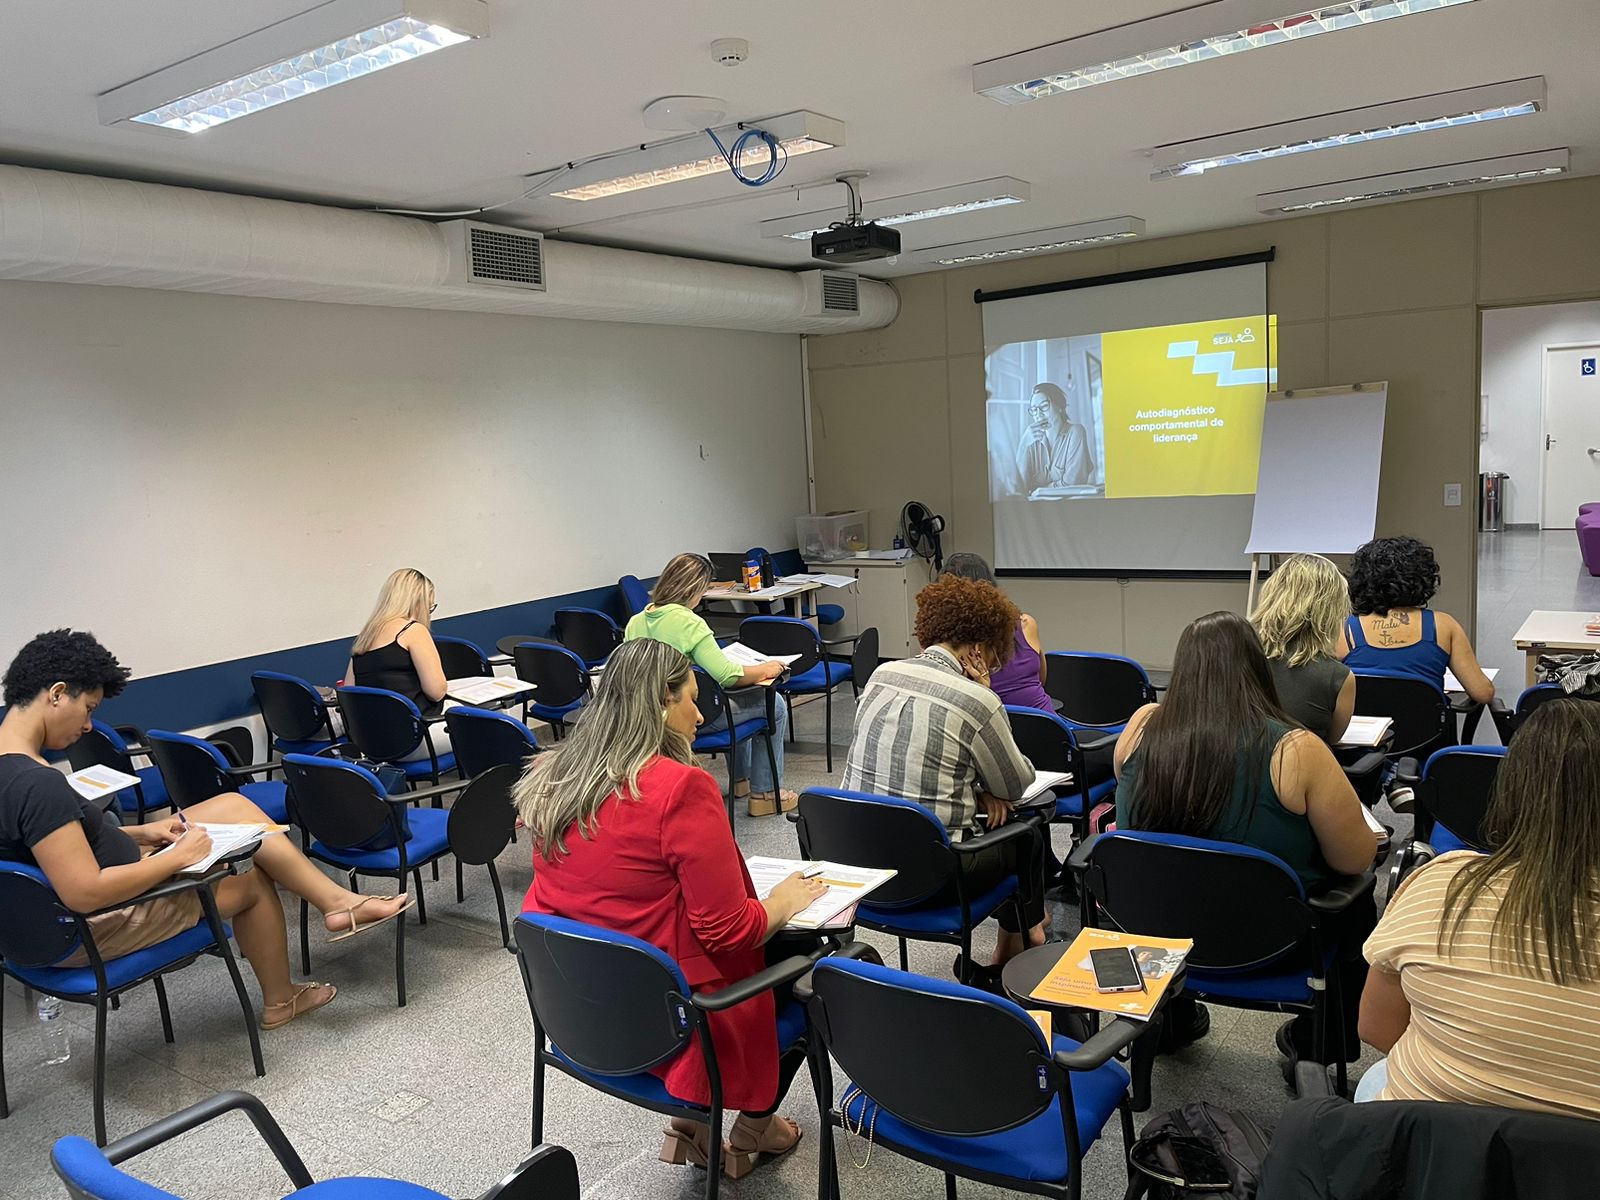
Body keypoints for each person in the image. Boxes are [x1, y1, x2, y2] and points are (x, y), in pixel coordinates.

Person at [516, 639, 826, 1178]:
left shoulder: (554, 775)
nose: (700, 713)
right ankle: (754, 1125)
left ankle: (694, 1128)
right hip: (680, 1022)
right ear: (661, 702)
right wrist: (782, 901)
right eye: (691, 698)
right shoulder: (680, 788)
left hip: (582, 1008)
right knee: (819, 961)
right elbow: (729, 932)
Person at [0, 630, 411, 1029]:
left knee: (231, 805)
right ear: (56, 693)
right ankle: (283, 997)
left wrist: (145, 833)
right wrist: (179, 858)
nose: (89, 725)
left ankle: (337, 903)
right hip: (88, 929)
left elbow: (55, 846)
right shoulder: (39, 784)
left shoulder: (13, 767)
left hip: (33, 931)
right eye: (89, 708)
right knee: (250, 879)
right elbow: (84, 891)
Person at [1114, 611, 1380, 1060]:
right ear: (1258, 670)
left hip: (1160, 937)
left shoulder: (1141, 727)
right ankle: (1322, 1041)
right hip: (1276, 947)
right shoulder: (1296, 749)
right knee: (1357, 902)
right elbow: (1353, 860)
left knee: (1177, 869)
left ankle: (1173, 1019)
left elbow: (1135, 821)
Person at [1358, 699, 1600, 1116]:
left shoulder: (1442, 882)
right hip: (1576, 1174)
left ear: (1509, 787)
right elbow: (1482, 689)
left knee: (1377, 1079)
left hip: (1430, 1152)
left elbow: (1376, 1029)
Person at [841, 574, 1048, 970]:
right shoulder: (976, 699)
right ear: (979, 647)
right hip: (933, 877)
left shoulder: (880, 676)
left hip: (859, 863)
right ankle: (1026, 939)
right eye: (993, 656)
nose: (993, 665)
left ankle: (1017, 942)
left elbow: (908, 758)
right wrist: (987, 695)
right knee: (1030, 834)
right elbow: (1018, 784)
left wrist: (975, 787)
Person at [625, 553, 794, 815]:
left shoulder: (636, 622)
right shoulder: (689, 621)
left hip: (650, 719)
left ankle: (741, 781)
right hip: (693, 719)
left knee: (734, 700)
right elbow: (728, 675)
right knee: (773, 705)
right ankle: (766, 793)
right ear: (694, 588)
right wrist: (766, 668)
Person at [1341, 537, 1495, 704]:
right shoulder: (1443, 626)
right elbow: (1483, 693)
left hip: (1361, 728)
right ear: (1424, 579)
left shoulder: (1346, 630)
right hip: (1427, 729)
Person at [1252, 553, 1356, 744]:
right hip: (1302, 770)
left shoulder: (1240, 656)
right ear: (1331, 611)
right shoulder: (1338, 677)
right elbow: (1331, 742)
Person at [350, 567, 452, 761]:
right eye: (430, 607)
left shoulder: (365, 636)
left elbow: (349, 690)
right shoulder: (413, 631)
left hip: (372, 742)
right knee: (492, 722)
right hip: (412, 741)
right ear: (418, 602)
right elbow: (436, 691)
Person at [940, 552, 1051, 712]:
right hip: (1046, 725)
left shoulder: (951, 643)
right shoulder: (1025, 624)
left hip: (989, 728)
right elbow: (1041, 679)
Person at [1016, 382, 1095, 493]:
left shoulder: (1075, 432)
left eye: (1043, 406)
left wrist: (1037, 490)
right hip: (1037, 509)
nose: (1038, 414)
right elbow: (1020, 490)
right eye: (1034, 409)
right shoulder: (1031, 442)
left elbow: (1073, 485)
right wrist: (1023, 445)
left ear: (1060, 407)